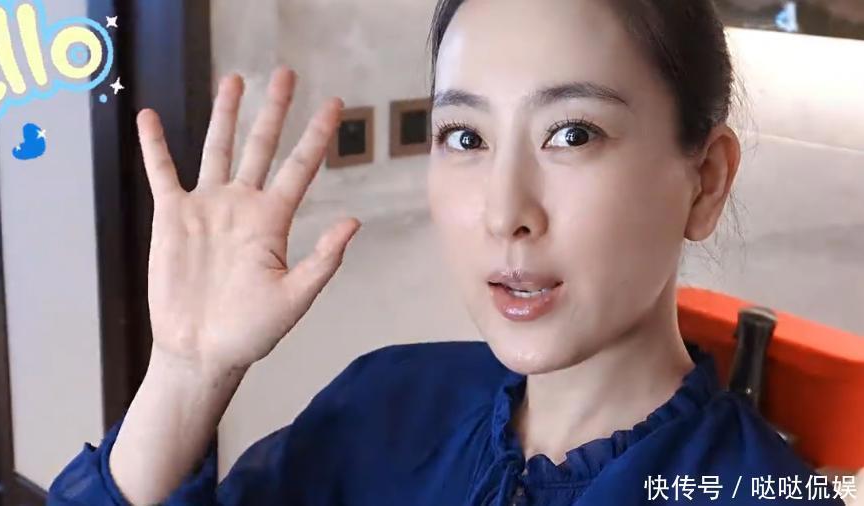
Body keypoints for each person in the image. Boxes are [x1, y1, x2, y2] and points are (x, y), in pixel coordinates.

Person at [47, 0, 851, 504]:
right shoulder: (385, 406)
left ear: (705, 182)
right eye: (465, 136)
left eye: (573, 134)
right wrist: (186, 373)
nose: (505, 212)